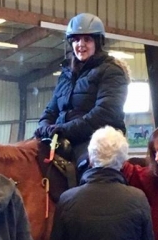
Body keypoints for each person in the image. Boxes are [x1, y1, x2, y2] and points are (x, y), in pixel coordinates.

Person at [35, 12, 129, 171]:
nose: (81, 44)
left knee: (89, 169)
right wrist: (44, 127)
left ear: (98, 42)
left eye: (87, 39)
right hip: (61, 136)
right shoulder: (66, 74)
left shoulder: (111, 71)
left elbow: (104, 113)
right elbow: (51, 110)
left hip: (94, 139)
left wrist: (64, 130)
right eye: (76, 39)